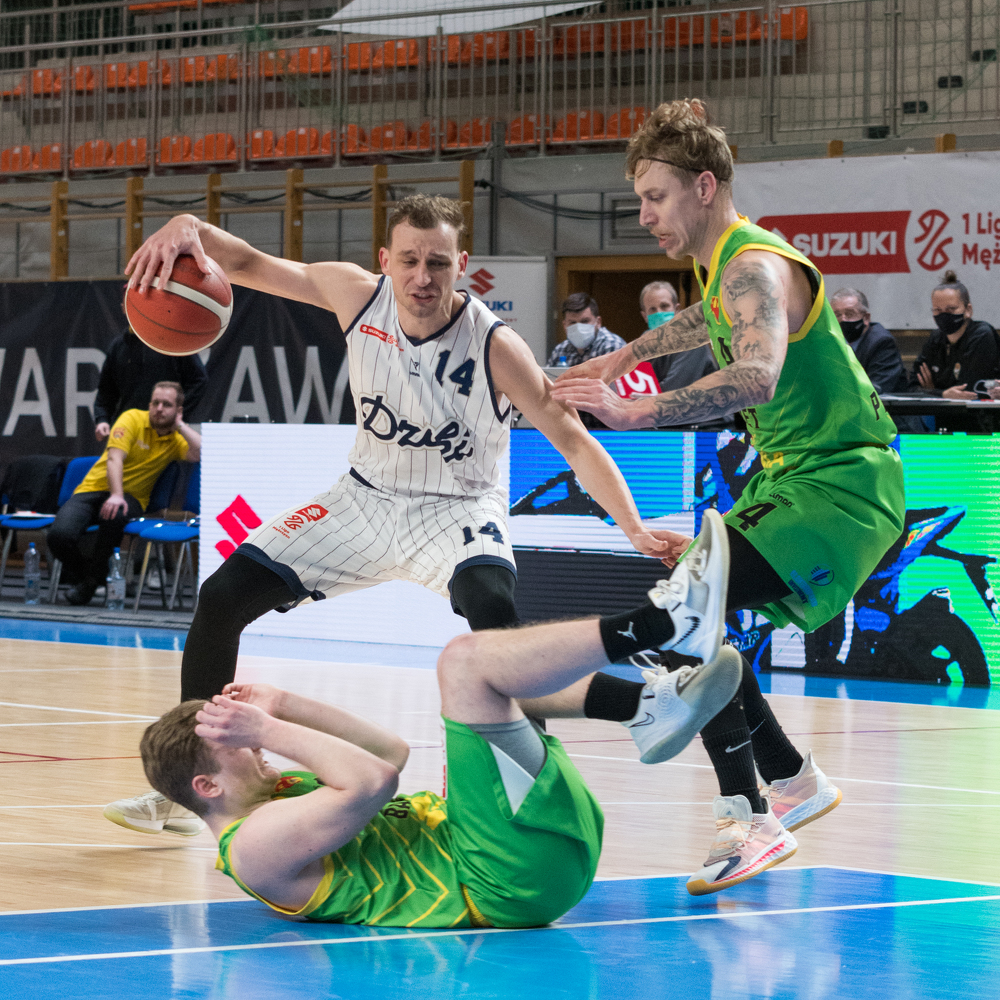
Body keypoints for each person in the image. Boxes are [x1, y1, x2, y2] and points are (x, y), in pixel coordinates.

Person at [103, 193, 688, 838]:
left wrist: (634, 528)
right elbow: (243, 262)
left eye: (438, 262)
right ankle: (191, 789)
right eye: (409, 260)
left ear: (462, 265)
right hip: (363, 499)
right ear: (385, 260)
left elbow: (574, 442)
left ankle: (521, 798)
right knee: (221, 598)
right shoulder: (355, 295)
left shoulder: (496, 345)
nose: (422, 277)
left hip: (458, 508)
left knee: (494, 616)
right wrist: (185, 224)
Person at [549, 98, 905, 894]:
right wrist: (623, 357)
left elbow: (755, 374)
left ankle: (750, 819)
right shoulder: (726, 269)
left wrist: (635, 408)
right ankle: (792, 779)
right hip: (802, 478)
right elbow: (702, 321)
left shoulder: (753, 266)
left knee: (688, 606)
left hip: (839, 482)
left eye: (656, 196)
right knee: (697, 604)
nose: (644, 215)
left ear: (703, 186)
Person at [139, 515, 743, 928]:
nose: (255, 746)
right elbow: (374, 780)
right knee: (464, 664)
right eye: (235, 742)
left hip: (509, 856)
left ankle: (644, 708)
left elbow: (391, 752)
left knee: (501, 673)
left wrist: (284, 704)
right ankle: (663, 625)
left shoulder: (276, 796)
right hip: (498, 880)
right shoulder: (251, 848)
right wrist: (268, 730)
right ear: (206, 785)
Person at [48, 382, 201, 605]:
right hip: (94, 489)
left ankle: (88, 586)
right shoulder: (131, 418)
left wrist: (180, 425)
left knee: (115, 516)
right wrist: (116, 494)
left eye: (166, 405)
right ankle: (94, 578)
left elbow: (202, 452)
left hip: (133, 498)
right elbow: (114, 459)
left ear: (178, 410)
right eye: (155, 403)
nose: (159, 409)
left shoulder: (176, 441)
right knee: (59, 536)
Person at [93, 324, 208, 443]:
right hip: (129, 431)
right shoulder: (119, 346)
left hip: (166, 432)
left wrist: (175, 414)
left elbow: (198, 380)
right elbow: (106, 392)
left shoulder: (173, 341)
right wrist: (102, 419)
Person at [639, 280, 717, 391]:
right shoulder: (644, 345)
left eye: (664, 306)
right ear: (644, 316)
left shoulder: (692, 342)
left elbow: (673, 390)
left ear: (676, 310)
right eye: (652, 309)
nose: (659, 313)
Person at [829, 287, 909, 394]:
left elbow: (877, 388)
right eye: (837, 315)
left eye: (850, 314)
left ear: (866, 318)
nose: (842, 319)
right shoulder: (830, 342)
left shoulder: (882, 342)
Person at [546, 292, 626, 368]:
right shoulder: (561, 350)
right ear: (564, 325)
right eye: (572, 322)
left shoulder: (612, 346)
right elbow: (547, 376)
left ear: (598, 322)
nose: (578, 328)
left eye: (584, 321)